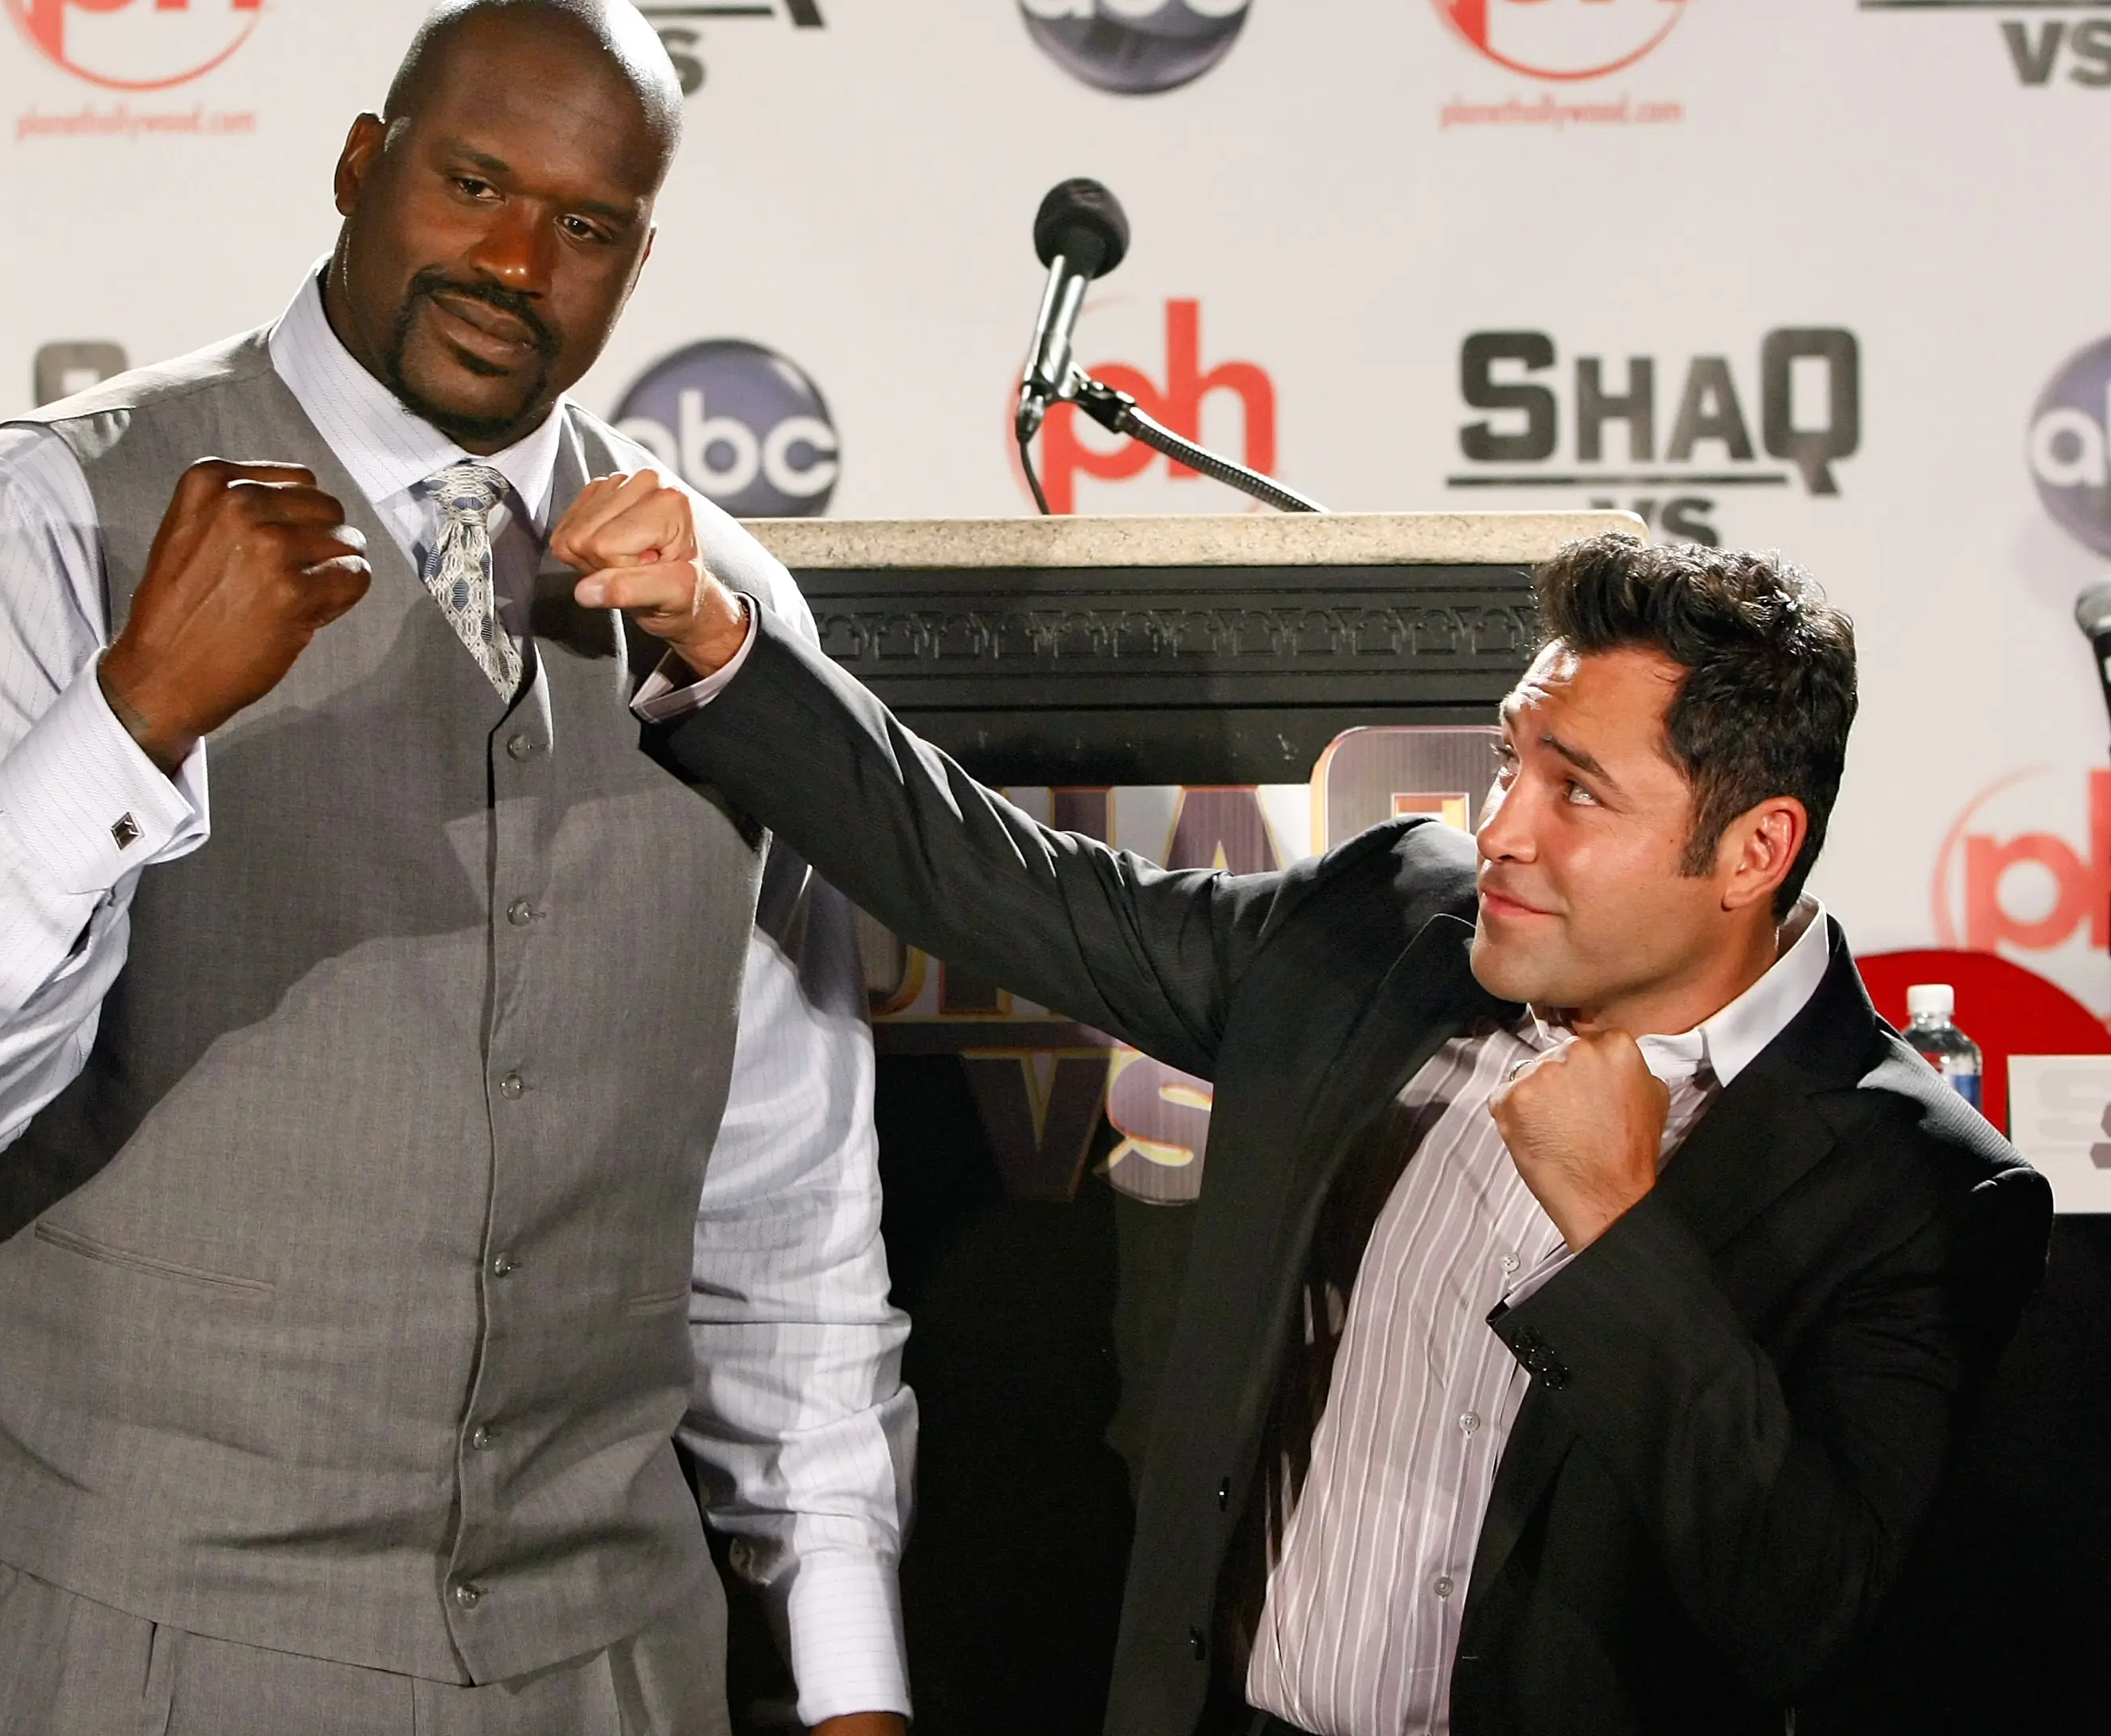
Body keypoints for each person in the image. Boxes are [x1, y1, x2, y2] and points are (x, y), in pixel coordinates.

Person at [0, 0, 910, 1736]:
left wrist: (848, 1681)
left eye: (584, 224)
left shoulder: (725, 614)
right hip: (141, 1654)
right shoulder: (51, 518)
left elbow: (785, 1206)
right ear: (362, 164)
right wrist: (130, 716)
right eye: (470, 186)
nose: (516, 262)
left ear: (635, 262)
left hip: (609, 1665)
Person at [550, 478, 2052, 1736]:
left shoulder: (1917, 1184)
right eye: (1510, 758)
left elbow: (1807, 1616)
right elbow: (1017, 888)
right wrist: (723, 643)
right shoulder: (1390, 923)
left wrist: (1618, 1227)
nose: (1503, 827)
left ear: (1752, 849)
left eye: (1577, 792)